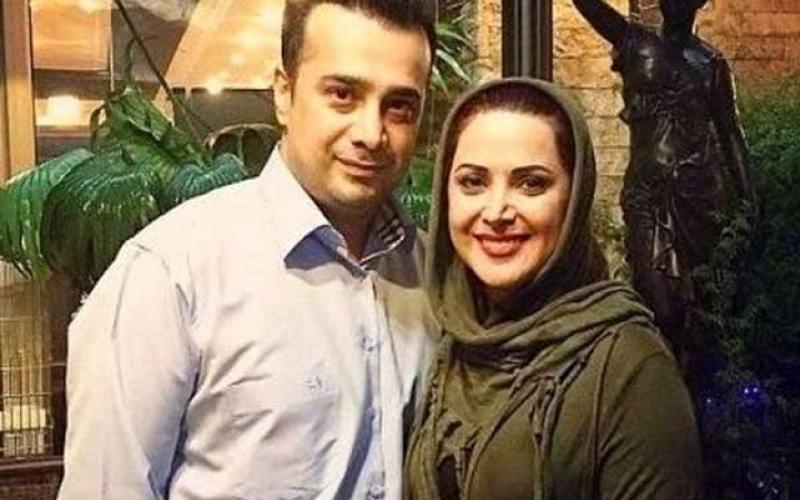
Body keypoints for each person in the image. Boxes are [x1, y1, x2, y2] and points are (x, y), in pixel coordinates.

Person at [58, 1, 437, 499]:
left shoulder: (435, 276)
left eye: (400, 106)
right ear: (283, 93)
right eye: (343, 94)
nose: (372, 133)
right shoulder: (172, 272)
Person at [405, 78, 703, 499]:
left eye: (531, 183)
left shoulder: (629, 367)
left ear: (573, 197)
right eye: (473, 182)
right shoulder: (454, 338)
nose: (496, 211)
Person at [570, 0, 754, 344]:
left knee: (702, 309)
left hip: (700, 194)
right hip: (649, 194)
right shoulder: (634, 42)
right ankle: (655, 370)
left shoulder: (711, 64)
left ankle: (690, 373)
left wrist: (749, 203)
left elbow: (730, 134)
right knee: (660, 304)